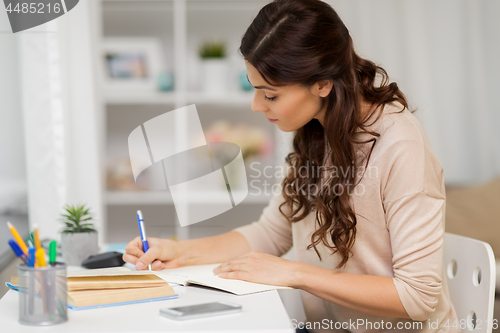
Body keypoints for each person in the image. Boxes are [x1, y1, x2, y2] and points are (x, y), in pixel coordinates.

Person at [123, 0, 459, 332]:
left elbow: (416, 297)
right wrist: (180, 251)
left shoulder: (401, 145)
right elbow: (270, 233)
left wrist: (294, 272)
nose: (256, 105)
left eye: (269, 95)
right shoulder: (316, 131)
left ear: (323, 85)